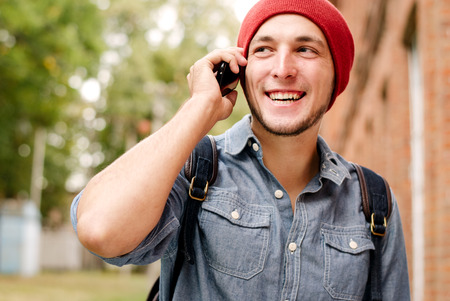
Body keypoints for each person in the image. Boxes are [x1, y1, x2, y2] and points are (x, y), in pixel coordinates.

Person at [71, 0, 410, 300]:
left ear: (336, 76)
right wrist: (200, 107)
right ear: (242, 71)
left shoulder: (373, 202)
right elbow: (100, 230)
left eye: (306, 49)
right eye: (263, 49)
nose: (283, 69)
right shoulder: (196, 170)